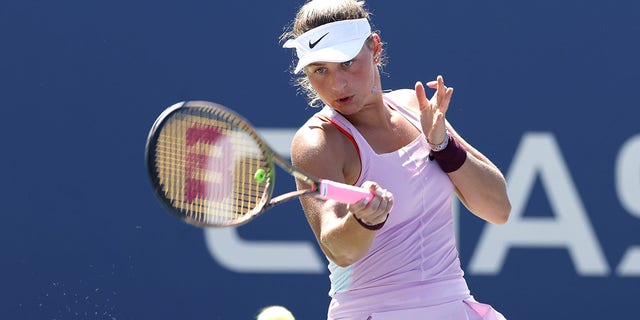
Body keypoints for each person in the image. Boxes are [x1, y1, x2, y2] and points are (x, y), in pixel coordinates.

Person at [281, 0, 511, 319]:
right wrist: (364, 220)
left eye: (347, 62)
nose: (337, 83)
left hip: (455, 307)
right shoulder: (318, 142)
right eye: (320, 70)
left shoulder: (413, 107)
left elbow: (499, 208)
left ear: (374, 48)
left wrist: (443, 146)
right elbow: (339, 249)